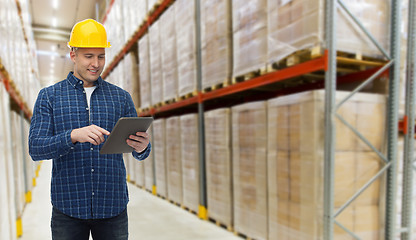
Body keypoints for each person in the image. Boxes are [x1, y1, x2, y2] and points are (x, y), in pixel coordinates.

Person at [28, 19, 151, 240]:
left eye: (101, 56)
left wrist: (142, 147)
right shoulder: (50, 97)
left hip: (112, 207)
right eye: (89, 56)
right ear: (73, 54)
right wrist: (72, 136)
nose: (96, 63)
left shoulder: (120, 98)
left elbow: (139, 150)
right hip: (68, 209)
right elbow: (36, 148)